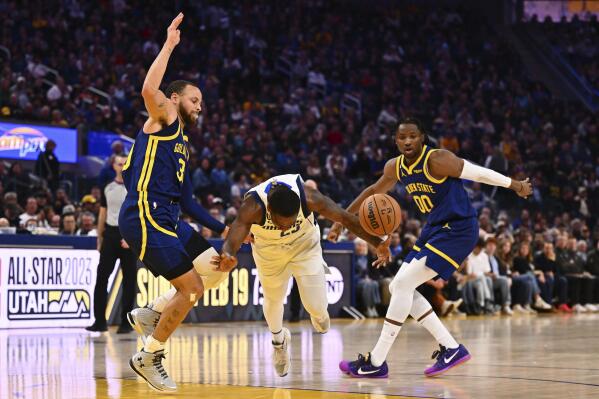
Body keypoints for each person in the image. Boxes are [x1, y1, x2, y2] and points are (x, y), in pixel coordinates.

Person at [329, 117, 532, 378]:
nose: (407, 141)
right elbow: (373, 189)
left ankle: (376, 361)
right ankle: (451, 348)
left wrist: (514, 185)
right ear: (396, 141)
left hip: (459, 228)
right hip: (434, 228)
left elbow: (478, 172)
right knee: (399, 286)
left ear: (422, 137)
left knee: (401, 285)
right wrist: (342, 220)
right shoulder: (396, 166)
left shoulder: (437, 159)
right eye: (402, 137)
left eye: (413, 136)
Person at [117, 13, 230, 392]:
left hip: (168, 216)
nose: (200, 107)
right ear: (176, 98)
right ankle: (148, 356)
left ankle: (150, 312)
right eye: (195, 100)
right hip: (146, 216)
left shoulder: (182, 143)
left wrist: (222, 229)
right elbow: (150, 89)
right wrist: (169, 45)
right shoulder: (164, 116)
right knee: (192, 288)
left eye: (202, 103)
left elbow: (188, 200)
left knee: (218, 264)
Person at [210, 174, 391, 378]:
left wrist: (377, 243)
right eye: (282, 224)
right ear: (269, 210)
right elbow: (235, 232)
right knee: (273, 299)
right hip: (269, 252)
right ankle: (279, 343)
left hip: (304, 246)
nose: (286, 227)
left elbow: (346, 218)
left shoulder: (310, 197)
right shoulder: (254, 205)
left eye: (290, 222)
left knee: (318, 309)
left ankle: (319, 312)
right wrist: (227, 254)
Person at [86, 154, 138, 333]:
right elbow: (102, 212)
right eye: (119, 163)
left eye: (125, 163)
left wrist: (133, 238)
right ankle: (99, 321)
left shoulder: (135, 187)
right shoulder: (107, 187)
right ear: (114, 166)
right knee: (101, 278)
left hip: (128, 237)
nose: (122, 166)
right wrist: (99, 238)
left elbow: (139, 215)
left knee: (130, 281)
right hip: (110, 235)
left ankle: (126, 322)